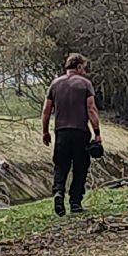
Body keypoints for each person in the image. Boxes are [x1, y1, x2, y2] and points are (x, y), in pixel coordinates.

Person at [41, 52, 102, 215]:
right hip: (80, 132)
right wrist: (97, 133)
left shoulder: (54, 84)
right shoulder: (85, 84)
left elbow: (46, 111)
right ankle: (75, 202)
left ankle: (59, 192)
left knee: (61, 165)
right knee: (80, 167)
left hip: (61, 132)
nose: (85, 71)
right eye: (84, 68)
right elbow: (91, 109)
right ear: (79, 66)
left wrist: (45, 131)